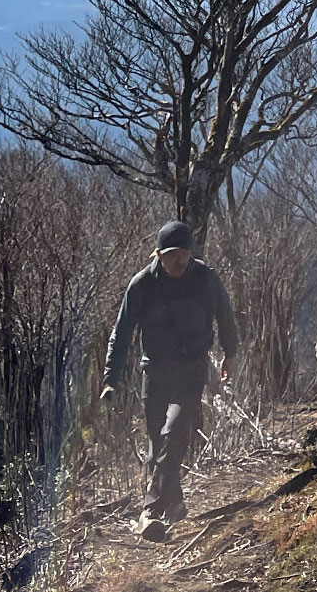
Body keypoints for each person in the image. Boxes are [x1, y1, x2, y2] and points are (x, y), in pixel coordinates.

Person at [101, 219, 240, 541]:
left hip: (192, 369)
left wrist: (229, 353)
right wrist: (111, 378)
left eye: (186, 254)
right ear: (159, 254)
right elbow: (121, 333)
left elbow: (225, 315)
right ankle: (174, 502)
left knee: (174, 433)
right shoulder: (142, 284)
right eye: (174, 254)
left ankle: (150, 510)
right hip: (155, 371)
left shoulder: (206, 279)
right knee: (156, 442)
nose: (181, 261)